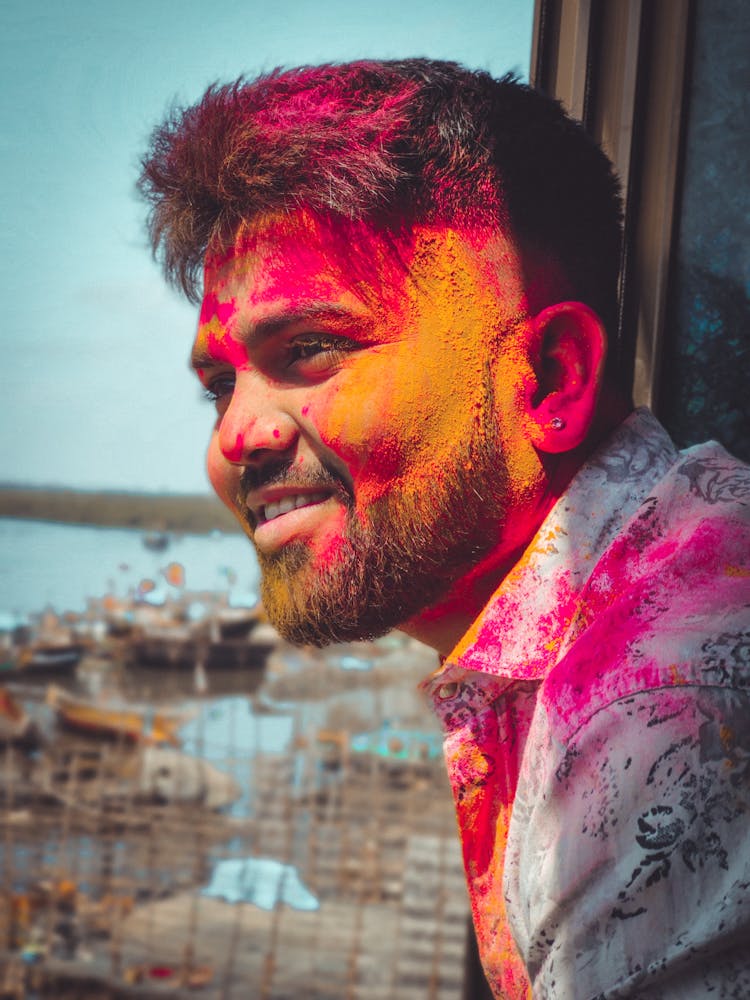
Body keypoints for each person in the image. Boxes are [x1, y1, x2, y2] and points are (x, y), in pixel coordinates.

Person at [139, 60, 750, 998]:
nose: (235, 438)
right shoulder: (629, 601)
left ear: (549, 379)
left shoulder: (650, 704)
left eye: (311, 350)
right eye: (222, 386)